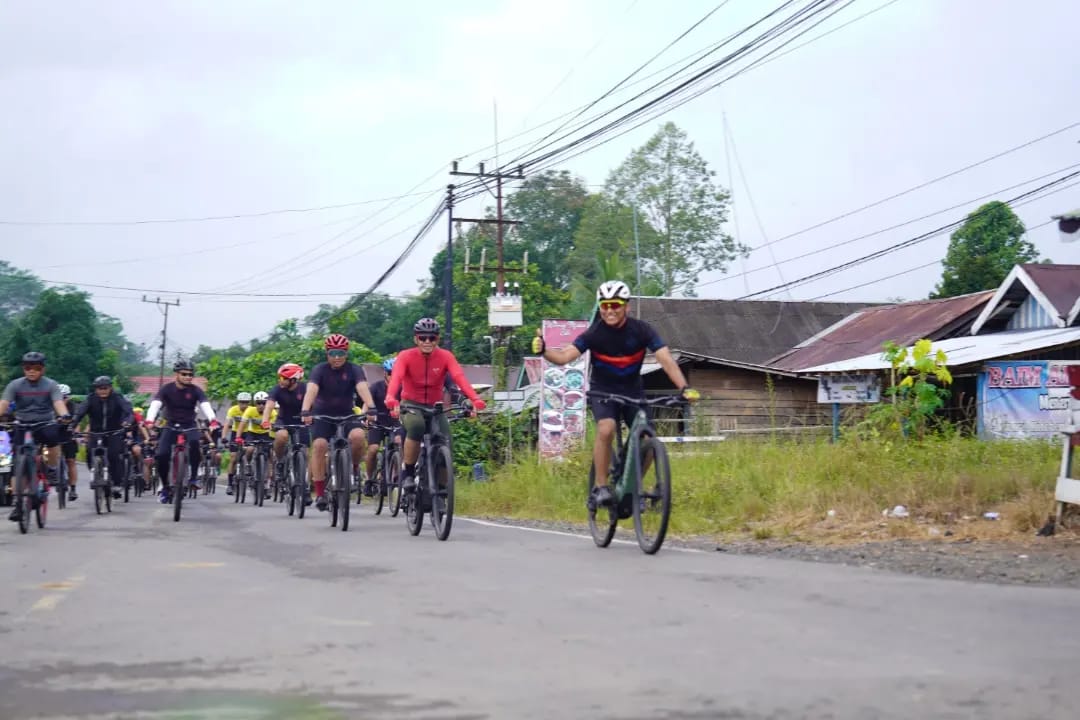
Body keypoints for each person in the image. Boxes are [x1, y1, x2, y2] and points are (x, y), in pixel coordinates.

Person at [531, 281, 699, 508]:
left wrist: (684, 387)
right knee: (606, 428)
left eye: (615, 305)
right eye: (605, 305)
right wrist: (544, 350)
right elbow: (564, 357)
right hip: (603, 390)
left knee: (649, 438)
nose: (610, 310)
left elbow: (666, 359)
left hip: (633, 391)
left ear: (626, 307)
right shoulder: (595, 333)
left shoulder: (642, 330)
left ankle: (633, 489)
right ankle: (600, 487)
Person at [384, 318, 487, 493]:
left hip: (435, 406)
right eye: (423, 338)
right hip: (411, 404)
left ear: (437, 339)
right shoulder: (405, 356)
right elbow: (396, 379)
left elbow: (459, 378)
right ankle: (408, 474)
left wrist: (474, 400)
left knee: (445, 441)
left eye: (432, 338)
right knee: (416, 427)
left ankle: (440, 491)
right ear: (416, 339)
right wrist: (391, 399)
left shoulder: (445, 356)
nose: (427, 342)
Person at [300, 333, 375, 511]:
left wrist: (371, 407)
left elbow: (361, 387)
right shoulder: (320, 370)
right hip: (322, 415)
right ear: (327, 353)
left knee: (358, 437)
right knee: (319, 446)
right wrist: (305, 409)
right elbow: (312, 389)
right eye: (333, 353)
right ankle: (319, 493)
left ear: (346, 353)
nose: (337, 357)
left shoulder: (354, 369)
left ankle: (354, 468)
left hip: (346, 414)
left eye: (340, 353)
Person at [0, 352, 72, 521]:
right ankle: (18, 503)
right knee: (17, 463)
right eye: (27, 368)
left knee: (53, 442)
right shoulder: (15, 385)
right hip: (22, 424)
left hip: (44, 423)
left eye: (36, 368)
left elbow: (58, 403)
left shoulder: (51, 385)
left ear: (43, 369)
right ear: (23, 369)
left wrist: (64, 415)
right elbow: (3, 404)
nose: (31, 371)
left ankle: (53, 469)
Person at [144, 358, 218, 503]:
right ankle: (165, 487)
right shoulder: (167, 389)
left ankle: (194, 478)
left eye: (190, 374)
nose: (188, 377)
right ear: (176, 374)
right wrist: (150, 420)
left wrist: (212, 420)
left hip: (189, 424)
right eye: (184, 374)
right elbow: (156, 404)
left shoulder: (196, 390)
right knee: (161, 455)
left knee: (196, 444)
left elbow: (205, 404)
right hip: (170, 425)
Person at [70, 375, 132, 499]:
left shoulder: (117, 398)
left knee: (114, 455)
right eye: (99, 388)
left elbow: (128, 411)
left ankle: (117, 483)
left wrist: (127, 422)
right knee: (89, 453)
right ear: (95, 389)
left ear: (110, 388)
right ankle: (97, 473)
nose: (102, 390)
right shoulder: (91, 399)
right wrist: (72, 425)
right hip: (95, 432)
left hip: (114, 432)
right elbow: (80, 413)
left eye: (105, 388)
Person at [261, 362, 311, 505]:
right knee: (281, 436)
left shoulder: (305, 388)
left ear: (293, 380)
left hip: (302, 421)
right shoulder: (277, 389)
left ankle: (305, 488)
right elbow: (269, 405)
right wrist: (265, 420)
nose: (280, 380)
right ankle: (281, 461)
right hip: (283, 420)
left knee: (305, 454)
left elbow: (316, 402)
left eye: (283, 378)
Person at [361, 356, 405, 497]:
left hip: (396, 421)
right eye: (391, 373)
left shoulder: (404, 388)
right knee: (373, 449)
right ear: (385, 373)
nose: (394, 376)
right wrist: (364, 416)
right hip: (378, 421)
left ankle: (396, 474)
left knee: (399, 442)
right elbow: (367, 403)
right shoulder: (376, 387)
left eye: (397, 373)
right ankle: (369, 479)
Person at [222, 391, 252, 495]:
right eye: (241, 402)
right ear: (238, 402)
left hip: (248, 433)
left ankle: (248, 466)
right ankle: (230, 484)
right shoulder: (233, 410)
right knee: (233, 457)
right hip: (235, 433)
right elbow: (227, 424)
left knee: (250, 450)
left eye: (246, 402)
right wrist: (223, 437)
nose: (244, 405)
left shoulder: (251, 410)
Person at [57, 383, 79, 501]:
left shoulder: (73, 406)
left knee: (70, 461)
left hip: (68, 435)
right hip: (54, 435)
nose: (62, 399)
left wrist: (75, 433)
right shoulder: (51, 405)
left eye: (64, 397)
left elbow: (77, 421)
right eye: (60, 397)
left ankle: (73, 488)